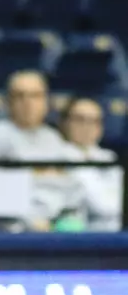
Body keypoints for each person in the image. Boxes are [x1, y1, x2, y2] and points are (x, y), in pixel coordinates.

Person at [0, 70, 84, 230]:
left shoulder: (52, 137)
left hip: (53, 226)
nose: (28, 103)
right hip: (8, 229)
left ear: (46, 102)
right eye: (20, 96)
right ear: (8, 101)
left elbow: (69, 187)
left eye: (35, 96)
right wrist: (31, 220)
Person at [59, 96, 122, 231]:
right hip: (84, 235)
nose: (87, 126)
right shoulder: (57, 156)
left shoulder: (109, 157)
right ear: (65, 123)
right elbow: (103, 206)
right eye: (80, 119)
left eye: (93, 121)